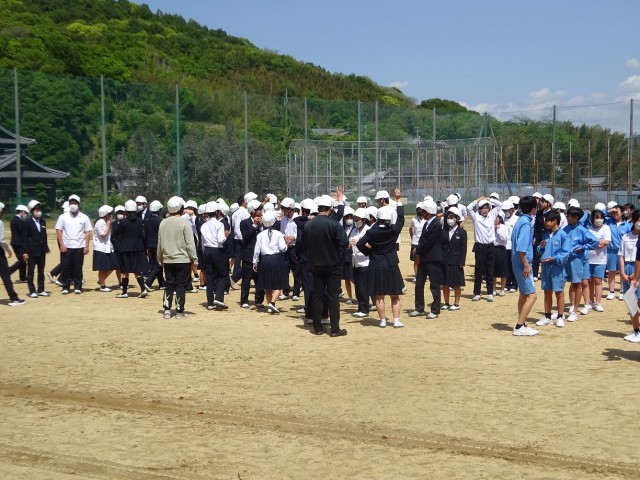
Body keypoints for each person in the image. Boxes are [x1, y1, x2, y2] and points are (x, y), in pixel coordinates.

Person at [356, 198, 405, 329]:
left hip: (376, 263)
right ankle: (396, 320)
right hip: (391, 263)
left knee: (379, 295)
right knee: (395, 295)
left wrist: (370, 252)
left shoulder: (372, 231)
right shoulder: (393, 230)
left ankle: (382, 320)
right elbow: (401, 219)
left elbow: (360, 244)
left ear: (378, 219)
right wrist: (399, 202)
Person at [304, 194, 349, 336]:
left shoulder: (309, 224)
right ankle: (335, 329)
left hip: (315, 265)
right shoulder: (334, 224)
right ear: (330, 209)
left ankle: (318, 328)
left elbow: (305, 243)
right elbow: (344, 243)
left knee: (317, 296)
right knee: (333, 296)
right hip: (332, 265)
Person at [157, 196, 198, 319]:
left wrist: (160, 258)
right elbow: (190, 243)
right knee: (180, 285)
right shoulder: (185, 223)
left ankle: (167, 310)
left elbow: (160, 243)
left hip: (168, 259)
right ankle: (179, 311)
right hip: (183, 260)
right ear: (181, 209)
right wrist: (194, 259)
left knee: (169, 284)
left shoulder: (163, 223)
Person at [563, 206, 599, 322]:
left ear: (576, 218)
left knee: (577, 283)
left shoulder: (582, 230)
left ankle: (575, 310)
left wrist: (583, 247)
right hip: (566, 260)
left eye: (569, 216)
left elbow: (595, 241)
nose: (567, 218)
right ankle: (572, 305)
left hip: (577, 260)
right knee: (570, 283)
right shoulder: (565, 229)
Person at [535, 210, 570, 327]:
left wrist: (554, 258)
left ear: (554, 221)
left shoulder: (563, 235)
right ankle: (547, 316)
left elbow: (566, 252)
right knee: (547, 292)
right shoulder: (546, 234)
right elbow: (540, 251)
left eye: (547, 220)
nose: (545, 223)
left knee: (559, 292)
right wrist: (540, 247)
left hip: (557, 268)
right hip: (545, 267)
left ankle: (560, 316)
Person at [511, 195, 539, 336]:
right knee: (532, 296)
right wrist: (526, 265)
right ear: (533, 208)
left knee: (523, 295)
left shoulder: (520, 221)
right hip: (523, 264)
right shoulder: (526, 224)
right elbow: (521, 248)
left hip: (518, 262)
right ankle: (519, 326)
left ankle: (522, 323)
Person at [466, 196, 502, 302]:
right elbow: (468, 208)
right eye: (483, 208)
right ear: (479, 209)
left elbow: (500, 205)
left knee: (490, 270)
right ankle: (477, 293)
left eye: (487, 208)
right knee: (479, 270)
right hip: (480, 246)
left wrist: (489, 199)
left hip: (491, 246)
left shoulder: (492, 215)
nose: (486, 210)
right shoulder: (476, 217)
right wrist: (477, 200)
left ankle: (490, 293)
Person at [55, 194, 92, 294]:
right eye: (71, 203)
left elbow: (87, 232)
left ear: (78, 204)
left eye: (75, 203)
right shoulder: (63, 217)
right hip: (67, 246)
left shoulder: (84, 217)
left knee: (78, 267)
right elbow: (59, 231)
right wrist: (61, 245)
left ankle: (78, 286)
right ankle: (65, 287)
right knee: (65, 267)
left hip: (79, 246)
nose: (73, 205)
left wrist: (87, 246)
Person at [411, 199, 442, 319]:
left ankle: (435, 310)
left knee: (434, 285)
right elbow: (422, 239)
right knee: (419, 283)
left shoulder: (436, 225)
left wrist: (417, 249)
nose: (422, 213)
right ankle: (419, 308)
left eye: (423, 211)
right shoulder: (427, 223)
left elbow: (429, 242)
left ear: (428, 212)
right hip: (424, 258)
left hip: (433, 259)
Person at [112, 200, 149, 299]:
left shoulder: (123, 222)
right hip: (137, 249)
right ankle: (143, 289)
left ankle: (124, 292)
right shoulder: (140, 221)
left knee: (125, 271)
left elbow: (115, 233)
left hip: (125, 249)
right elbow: (143, 235)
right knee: (137, 271)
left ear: (126, 211)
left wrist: (118, 243)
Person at [253, 210, 288, 313]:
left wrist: (255, 262)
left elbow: (256, 250)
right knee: (278, 283)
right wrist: (287, 244)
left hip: (264, 260)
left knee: (267, 284)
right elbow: (283, 248)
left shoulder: (260, 235)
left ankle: (270, 305)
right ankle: (272, 303)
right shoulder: (278, 234)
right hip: (276, 259)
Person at [200, 201, 230, 310]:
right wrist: (226, 236)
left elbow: (202, 242)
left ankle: (210, 303)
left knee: (210, 277)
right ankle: (218, 298)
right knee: (222, 275)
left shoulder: (204, 225)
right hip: (217, 250)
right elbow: (220, 240)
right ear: (217, 212)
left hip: (207, 250)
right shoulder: (219, 224)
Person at [239, 199, 265, 308]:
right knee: (246, 278)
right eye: (259, 209)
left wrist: (262, 225)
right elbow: (246, 236)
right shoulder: (244, 223)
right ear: (253, 211)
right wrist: (254, 225)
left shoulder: (264, 222)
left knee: (260, 278)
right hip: (249, 254)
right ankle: (244, 300)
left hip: (261, 254)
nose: (261, 211)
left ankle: (259, 300)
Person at [441, 207, 467, 311]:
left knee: (457, 283)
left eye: (452, 217)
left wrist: (462, 262)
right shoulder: (444, 231)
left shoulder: (462, 232)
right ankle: (446, 302)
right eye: (448, 217)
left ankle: (456, 303)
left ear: (457, 218)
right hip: (445, 260)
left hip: (456, 261)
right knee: (445, 283)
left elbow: (463, 248)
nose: (449, 219)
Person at [587, 209, 611, 312]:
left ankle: (598, 302)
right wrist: (597, 243)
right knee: (589, 281)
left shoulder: (606, 228)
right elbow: (587, 241)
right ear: (592, 218)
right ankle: (590, 301)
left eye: (601, 218)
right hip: (589, 259)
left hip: (600, 259)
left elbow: (607, 241)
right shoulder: (588, 229)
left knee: (598, 280)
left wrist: (601, 242)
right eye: (597, 218)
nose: (599, 220)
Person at [349, 207, 371, 317]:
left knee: (363, 287)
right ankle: (360, 307)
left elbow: (372, 246)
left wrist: (360, 242)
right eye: (355, 219)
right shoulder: (354, 230)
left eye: (358, 219)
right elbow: (350, 244)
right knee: (357, 286)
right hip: (355, 261)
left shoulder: (368, 230)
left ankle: (364, 309)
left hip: (365, 262)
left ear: (364, 219)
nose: (355, 221)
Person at [92, 205, 117, 292]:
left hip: (108, 247)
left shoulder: (105, 222)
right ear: (106, 214)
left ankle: (101, 281)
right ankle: (102, 285)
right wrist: (108, 225)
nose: (111, 215)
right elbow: (103, 235)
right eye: (110, 213)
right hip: (101, 248)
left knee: (112, 266)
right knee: (102, 268)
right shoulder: (100, 222)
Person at [144, 200, 165, 290]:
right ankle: (148, 282)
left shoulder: (147, 221)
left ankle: (162, 283)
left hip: (149, 245)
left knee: (155, 263)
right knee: (158, 265)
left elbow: (145, 234)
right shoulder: (161, 221)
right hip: (158, 245)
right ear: (159, 210)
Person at [8, 204, 29, 282]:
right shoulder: (19, 221)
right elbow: (22, 233)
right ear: (22, 212)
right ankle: (7, 271)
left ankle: (23, 278)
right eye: (25, 213)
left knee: (22, 261)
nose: (26, 215)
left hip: (15, 242)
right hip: (18, 243)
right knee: (22, 261)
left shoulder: (14, 220)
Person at [493, 212, 511, 297]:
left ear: (500, 218)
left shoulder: (504, 227)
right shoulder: (490, 226)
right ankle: (493, 289)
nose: (494, 219)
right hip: (492, 248)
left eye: (496, 217)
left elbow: (505, 238)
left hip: (501, 248)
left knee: (503, 270)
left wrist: (498, 229)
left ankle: (502, 289)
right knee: (493, 270)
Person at [409, 202, 426, 281]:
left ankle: (424, 275)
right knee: (416, 261)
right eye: (418, 209)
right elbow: (410, 229)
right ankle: (417, 277)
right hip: (415, 242)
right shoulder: (413, 220)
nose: (419, 211)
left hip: (424, 243)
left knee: (424, 260)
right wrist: (412, 238)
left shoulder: (426, 220)